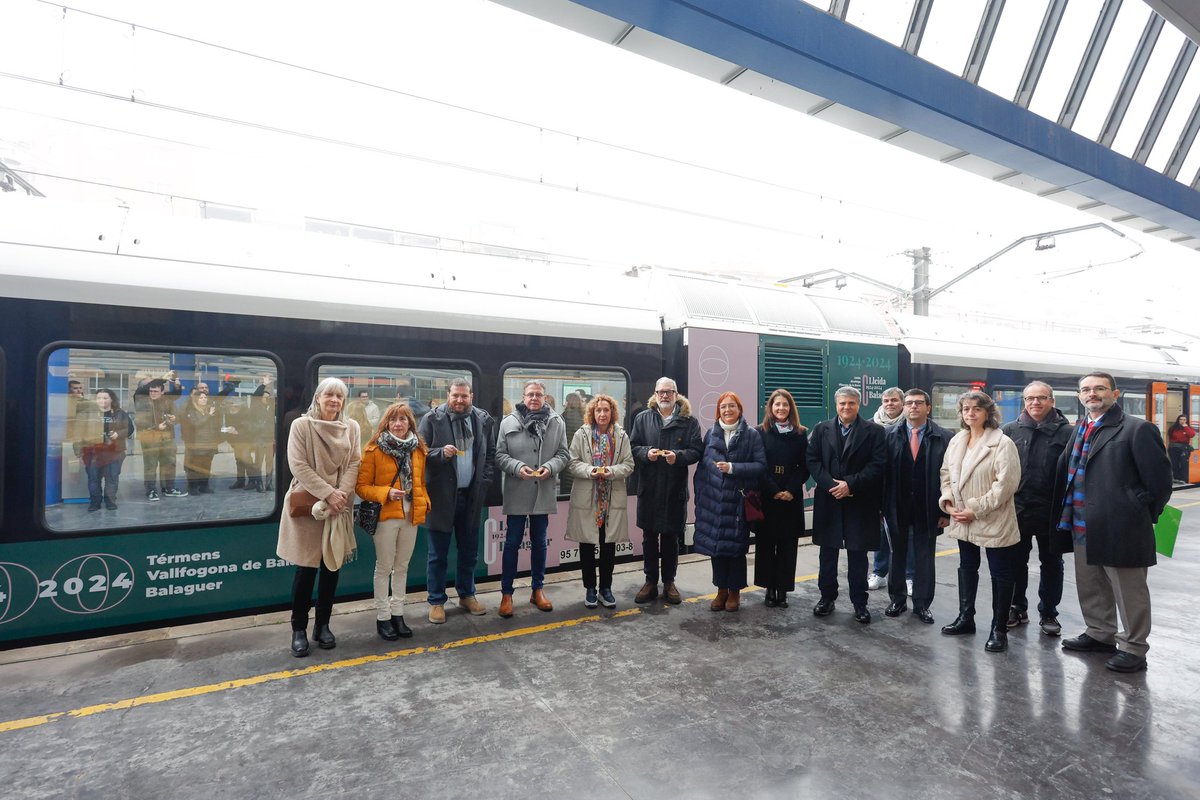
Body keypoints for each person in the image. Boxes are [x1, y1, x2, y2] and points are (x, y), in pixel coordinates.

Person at [1056, 372, 1172, 673]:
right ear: (1079, 396)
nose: (1092, 394)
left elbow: (1160, 482)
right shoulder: (1081, 427)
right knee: (1091, 584)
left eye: (1099, 389)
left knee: (1128, 590)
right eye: (1086, 389)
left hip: (1123, 525)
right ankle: (1099, 633)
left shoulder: (1137, 429)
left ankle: (1134, 648)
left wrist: (1138, 512)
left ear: (1115, 393)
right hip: (1082, 521)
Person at [277, 378, 361, 657]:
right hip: (309, 504)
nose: (334, 400)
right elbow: (297, 465)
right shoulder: (301, 426)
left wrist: (341, 494)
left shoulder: (352, 427)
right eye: (329, 395)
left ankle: (322, 625)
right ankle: (298, 629)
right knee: (305, 569)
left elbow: (354, 463)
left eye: (339, 396)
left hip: (336, 506)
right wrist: (329, 493)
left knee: (331, 567)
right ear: (317, 397)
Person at [938, 390, 1022, 653]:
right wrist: (948, 501)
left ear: (988, 412)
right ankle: (966, 618)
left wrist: (975, 509)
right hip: (962, 516)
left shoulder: (1002, 443)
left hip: (991, 517)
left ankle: (999, 629)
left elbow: (1006, 485)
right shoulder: (957, 441)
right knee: (967, 566)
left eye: (976, 408)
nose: (970, 413)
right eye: (965, 409)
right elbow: (946, 474)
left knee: (1000, 572)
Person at [807, 386, 887, 624]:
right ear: (836, 405)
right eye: (842, 403)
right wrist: (832, 484)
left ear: (858, 404)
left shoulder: (875, 432)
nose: (846, 407)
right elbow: (812, 460)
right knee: (828, 553)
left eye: (851, 403)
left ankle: (859, 603)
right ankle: (826, 598)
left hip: (859, 501)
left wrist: (850, 485)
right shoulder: (821, 430)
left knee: (858, 555)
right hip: (829, 501)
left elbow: (878, 465)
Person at [418, 378, 495, 624]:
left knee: (469, 552)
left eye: (464, 396)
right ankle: (437, 601)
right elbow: (418, 453)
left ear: (471, 396)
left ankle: (467, 594)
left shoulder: (481, 419)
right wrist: (440, 454)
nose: (460, 400)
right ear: (447, 395)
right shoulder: (432, 419)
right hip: (441, 498)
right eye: (455, 396)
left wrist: (483, 482)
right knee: (437, 555)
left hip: (470, 496)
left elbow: (490, 453)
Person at [1001, 381, 1073, 635]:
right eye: (1030, 398)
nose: (1035, 403)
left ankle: (1049, 613)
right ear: (1024, 401)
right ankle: (1016, 607)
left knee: (1052, 562)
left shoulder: (1068, 433)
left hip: (1053, 511)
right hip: (1017, 510)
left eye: (1042, 398)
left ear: (1052, 401)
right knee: (1015, 562)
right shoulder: (1010, 431)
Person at [495, 380, 570, 617]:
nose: (534, 398)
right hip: (518, 490)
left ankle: (537, 589)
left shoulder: (557, 422)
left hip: (543, 491)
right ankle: (507, 594)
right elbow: (499, 455)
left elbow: (563, 454)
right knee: (512, 543)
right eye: (530, 394)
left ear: (545, 397)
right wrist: (517, 467)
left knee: (539, 543)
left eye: (539, 394)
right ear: (523, 397)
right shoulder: (509, 422)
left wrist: (550, 467)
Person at [357, 403, 430, 641]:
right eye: (393, 420)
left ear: (410, 423)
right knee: (384, 567)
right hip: (387, 517)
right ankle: (383, 617)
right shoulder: (374, 450)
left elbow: (420, 482)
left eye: (403, 419)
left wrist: (424, 500)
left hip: (411, 515)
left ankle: (398, 614)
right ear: (386, 423)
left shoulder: (418, 449)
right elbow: (361, 487)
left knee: (402, 566)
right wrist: (385, 493)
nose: (398, 424)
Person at [629, 377, 704, 604]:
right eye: (660, 392)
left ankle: (669, 582)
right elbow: (632, 447)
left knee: (671, 538)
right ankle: (650, 582)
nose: (664, 396)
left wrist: (678, 457)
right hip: (649, 489)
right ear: (655, 393)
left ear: (676, 394)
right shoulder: (642, 418)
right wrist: (646, 453)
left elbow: (697, 451)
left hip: (674, 490)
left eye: (668, 392)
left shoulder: (689, 421)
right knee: (649, 537)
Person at [881, 389, 952, 624]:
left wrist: (944, 511)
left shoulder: (943, 437)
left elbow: (949, 477)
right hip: (896, 505)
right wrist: (881, 506)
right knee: (896, 555)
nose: (913, 407)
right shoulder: (888, 435)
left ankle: (922, 605)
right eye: (909, 403)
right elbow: (882, 475)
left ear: (928, 408)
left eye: (919, 403)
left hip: (928, 507)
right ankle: (897, 600)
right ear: (904, 407)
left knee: (925, 557)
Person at [693, 392, 767, 612]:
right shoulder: (711, 433)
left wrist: (733, 468)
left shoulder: (751, 435)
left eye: (732, 406)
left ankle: (735, 592)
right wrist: (701, 494)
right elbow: (702, 468)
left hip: (737, 502)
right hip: (714, 502)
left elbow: (761, 466)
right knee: (717, 549)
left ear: (739, 409)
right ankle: (721, 590)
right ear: (719, 410)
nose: (727, 410)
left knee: (735, 550)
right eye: (723, 406)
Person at [564, 394, 635, 609]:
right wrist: (591, 470)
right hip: (588, 498)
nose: (602, 414)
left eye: (606, 410)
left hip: (611, 500)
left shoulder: (621, 436)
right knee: (586, 543)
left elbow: (629, 464)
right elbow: (572, 462)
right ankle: (590, 588)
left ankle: (606, 588)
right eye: (598, 410)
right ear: (592, 413)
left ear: (612, 412)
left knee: (608, 544)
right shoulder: (581, 434)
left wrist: (610, 472)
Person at [756, 388, 809, 608]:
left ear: (791, 408)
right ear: (770, 407)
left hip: (791, 497)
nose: (781, 408)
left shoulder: (800, 433)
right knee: (766, 545)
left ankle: (783, 590)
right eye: (777, 404)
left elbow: (805, 466)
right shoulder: (760, 431)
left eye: (785, 405)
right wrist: (773, 489)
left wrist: (791, 489)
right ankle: (769, 588)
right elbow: (758, 464)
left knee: (788, 546)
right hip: (768, 496)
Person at [868, 387, 911, 592]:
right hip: (879, 488)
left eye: (894, 400)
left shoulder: (910, 425)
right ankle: (879, 572)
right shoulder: (872, 425)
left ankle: (909, 576)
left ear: (902, 402)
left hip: (904, 489)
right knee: (881, 534)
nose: (890, 404)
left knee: (908, 535)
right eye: (886, 400)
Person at [77, 388, 132, 511]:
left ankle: (110, 501)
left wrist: (118, 434)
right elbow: (79, 434)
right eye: (99, 398)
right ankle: (95, 502)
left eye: (105, 398)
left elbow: (130, 429)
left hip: (114, 452)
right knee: (93, 479)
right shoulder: (87, 414)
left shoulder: (120, 413)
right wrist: (78, 453)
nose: (102, 400)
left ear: (112, 399)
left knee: (112, 478)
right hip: (92, 452)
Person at [134, 379, 187, 500]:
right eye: (151, 391)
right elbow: (139, 422)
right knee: (150, 466)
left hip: (167, 437)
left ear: (162, 392)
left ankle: (169, 488)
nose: (152, 393)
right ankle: (151, 490)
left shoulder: (168, 402)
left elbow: (178, 418)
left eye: (156, 391)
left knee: (169, 464)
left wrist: (173, 419)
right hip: (149, 438)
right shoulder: (142, 402)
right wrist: (156, 427)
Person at [181, 383, 220, 495]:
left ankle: (204, 486)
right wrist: (208, 415)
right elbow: (196, 424)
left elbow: (214, 427)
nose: (203, 399)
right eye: (201, 398)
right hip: (197, 443)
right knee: (196, 467)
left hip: (209, 443)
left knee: (206, 466)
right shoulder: (192, 412)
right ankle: (192, 487)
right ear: (196, 400)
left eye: (205, 397)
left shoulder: (210, 411)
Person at [1168, 414, 1195, 483]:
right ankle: (1176, 478)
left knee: (1184, 463)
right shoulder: (1173, 428)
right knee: (1175, 463)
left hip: (1184, 448)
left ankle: (1183, 479)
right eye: (1181, 419)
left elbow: (1192, 435)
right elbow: (1170, 437)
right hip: (1174, 448)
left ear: (1186, 421)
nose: (1182, 421)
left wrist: (1185, 427)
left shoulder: (1188, 428)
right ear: (1178, 420)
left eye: (1184, 420)